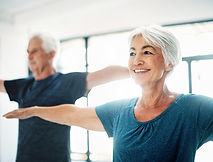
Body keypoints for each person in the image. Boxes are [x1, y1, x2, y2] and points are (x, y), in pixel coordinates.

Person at [3, 25, 213, 162]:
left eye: (147, 52)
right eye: (132, 53)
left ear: (170, 62)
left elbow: (99, 76)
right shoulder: (120, 110)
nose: (137, 59)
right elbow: (73, 114)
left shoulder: (194, 109)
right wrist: (34, 111)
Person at [0, 32, 130, 162]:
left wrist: (137, 71)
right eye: (28, 52)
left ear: (51, 54)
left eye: (34, 51)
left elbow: (105, 74)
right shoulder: (24, 85)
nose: (29, 57)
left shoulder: (65, 82)